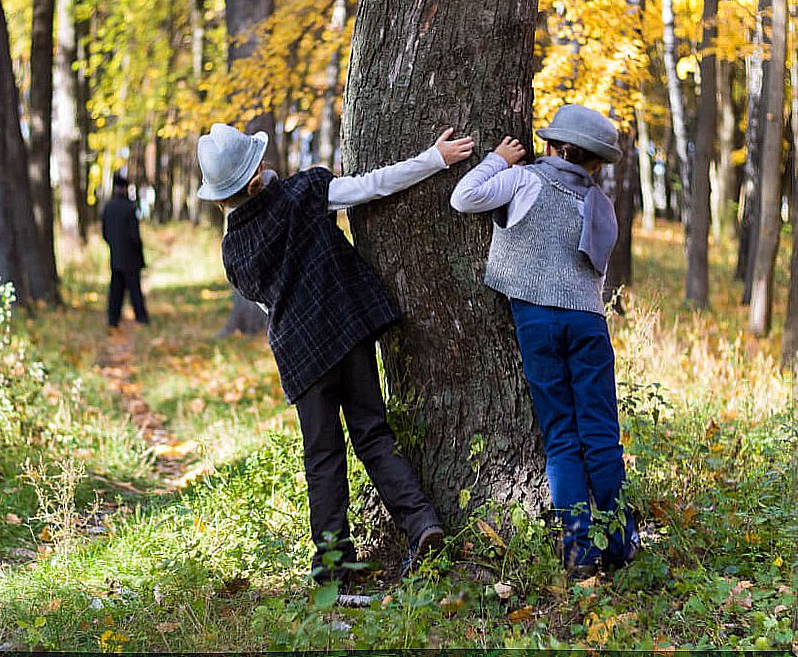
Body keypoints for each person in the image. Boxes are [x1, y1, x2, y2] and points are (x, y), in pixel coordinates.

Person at [196, 123, 474, 586]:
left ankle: (333, 566)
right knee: (372, 435)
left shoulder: (233, 250)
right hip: (348, 331)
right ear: (256, 176)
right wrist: (434, 159)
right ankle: (421, 520)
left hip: (302, 355)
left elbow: (266, 300)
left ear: (222, 197)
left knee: (322, 457)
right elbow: (370, 186)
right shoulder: (304, 192)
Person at [449, 104, 639, 578]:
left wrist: (497, 159)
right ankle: (620, 539)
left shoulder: (524, 179)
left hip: (536, 318)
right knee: (600, 434)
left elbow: (463, 196)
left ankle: (579, 549)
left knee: (561, 438)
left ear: (552, 146)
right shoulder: (600, 205)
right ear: (594, 163)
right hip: (588, 324)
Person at [101, 174, 149, 328]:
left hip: (115, 256)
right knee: (135, 290)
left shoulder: (108, 207)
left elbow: (105, 234)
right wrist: (138, 252)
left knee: (116, 291)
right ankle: (141, 318)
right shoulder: (130, 208)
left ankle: (112, 319)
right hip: (131, 258)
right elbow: (134, 235)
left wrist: (114, 246)